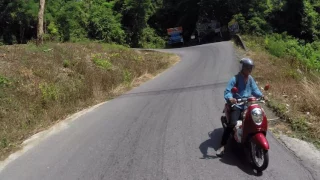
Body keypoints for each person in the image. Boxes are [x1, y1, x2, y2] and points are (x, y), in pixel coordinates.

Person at [216, 58, 267, 157]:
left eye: (251, 68)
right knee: (232, 123)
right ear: (242, 67)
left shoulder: (251, 79)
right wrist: (230, 98)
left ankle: (253, 139)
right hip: (238, 105)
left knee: (258, 117)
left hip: (248, 104)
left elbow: (255, 90)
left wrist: (261, 96)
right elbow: (228, 91)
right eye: (248, 67)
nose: (249, 70)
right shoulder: (235, 79)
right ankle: (222, 145)